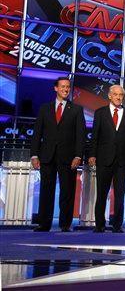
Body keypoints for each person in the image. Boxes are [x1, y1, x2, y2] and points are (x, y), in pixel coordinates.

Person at [30, 76, 86, 232]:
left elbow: (80, 135)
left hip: (68, 157)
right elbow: (37, 134)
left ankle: (65, 224)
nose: (65, 89)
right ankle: (44, 223)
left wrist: (78, 155)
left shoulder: (76, 109)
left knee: (67, 192)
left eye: (68, 87)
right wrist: (34, 155)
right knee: (46, 190)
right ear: (56, 88)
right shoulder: (44, 108)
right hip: (47, 155)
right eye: (62, 86)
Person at [88, 85, 125, 233]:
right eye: (115, 94)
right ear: (109, 96)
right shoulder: (100, 113)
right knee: (102, 193)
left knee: (120, 194)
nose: (118, 97)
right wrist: (92, 154)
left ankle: (117, 225)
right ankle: (100, 224)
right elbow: (94, 136)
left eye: (121, 94)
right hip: (104, 159)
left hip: (122, 160)